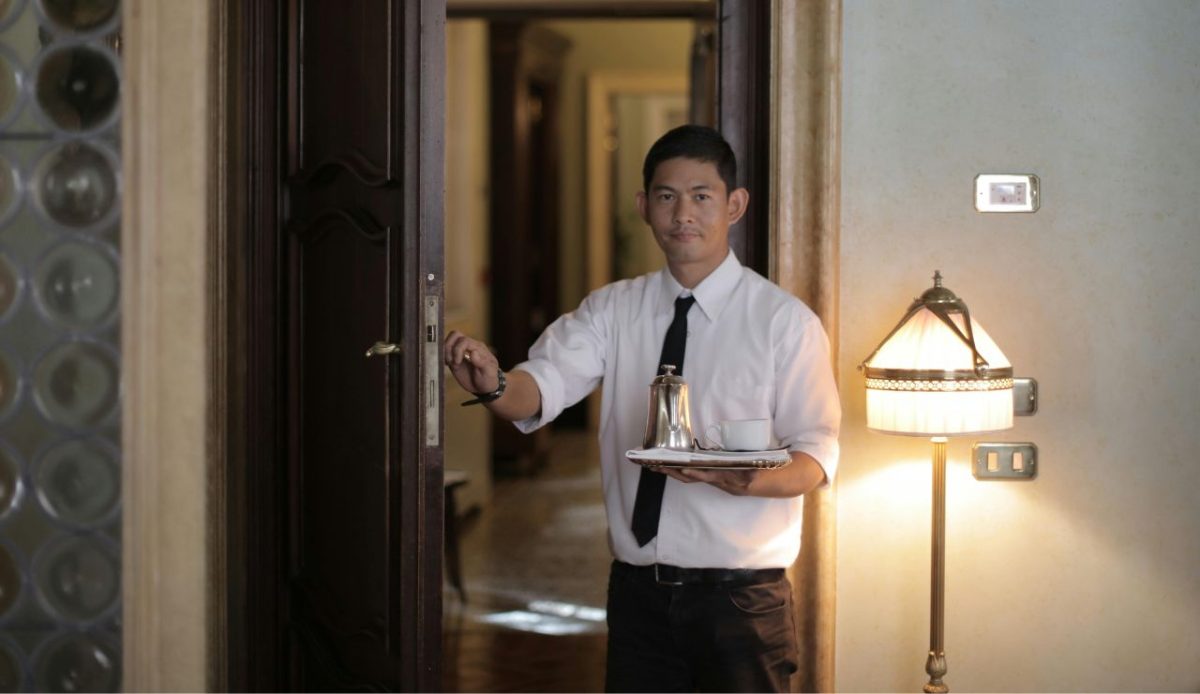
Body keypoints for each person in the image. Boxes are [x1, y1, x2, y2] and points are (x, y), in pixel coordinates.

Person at [443, 124, 840, 693]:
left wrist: (741, 479)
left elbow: (816, 456)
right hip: (637, 595)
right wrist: (493, 382)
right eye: (666, 196)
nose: (683, 213)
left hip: (740, 600)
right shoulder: (612, 310)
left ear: (734, 205)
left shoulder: (783, 323)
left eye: (702, 196)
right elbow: (541, 386)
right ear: (643, 206)